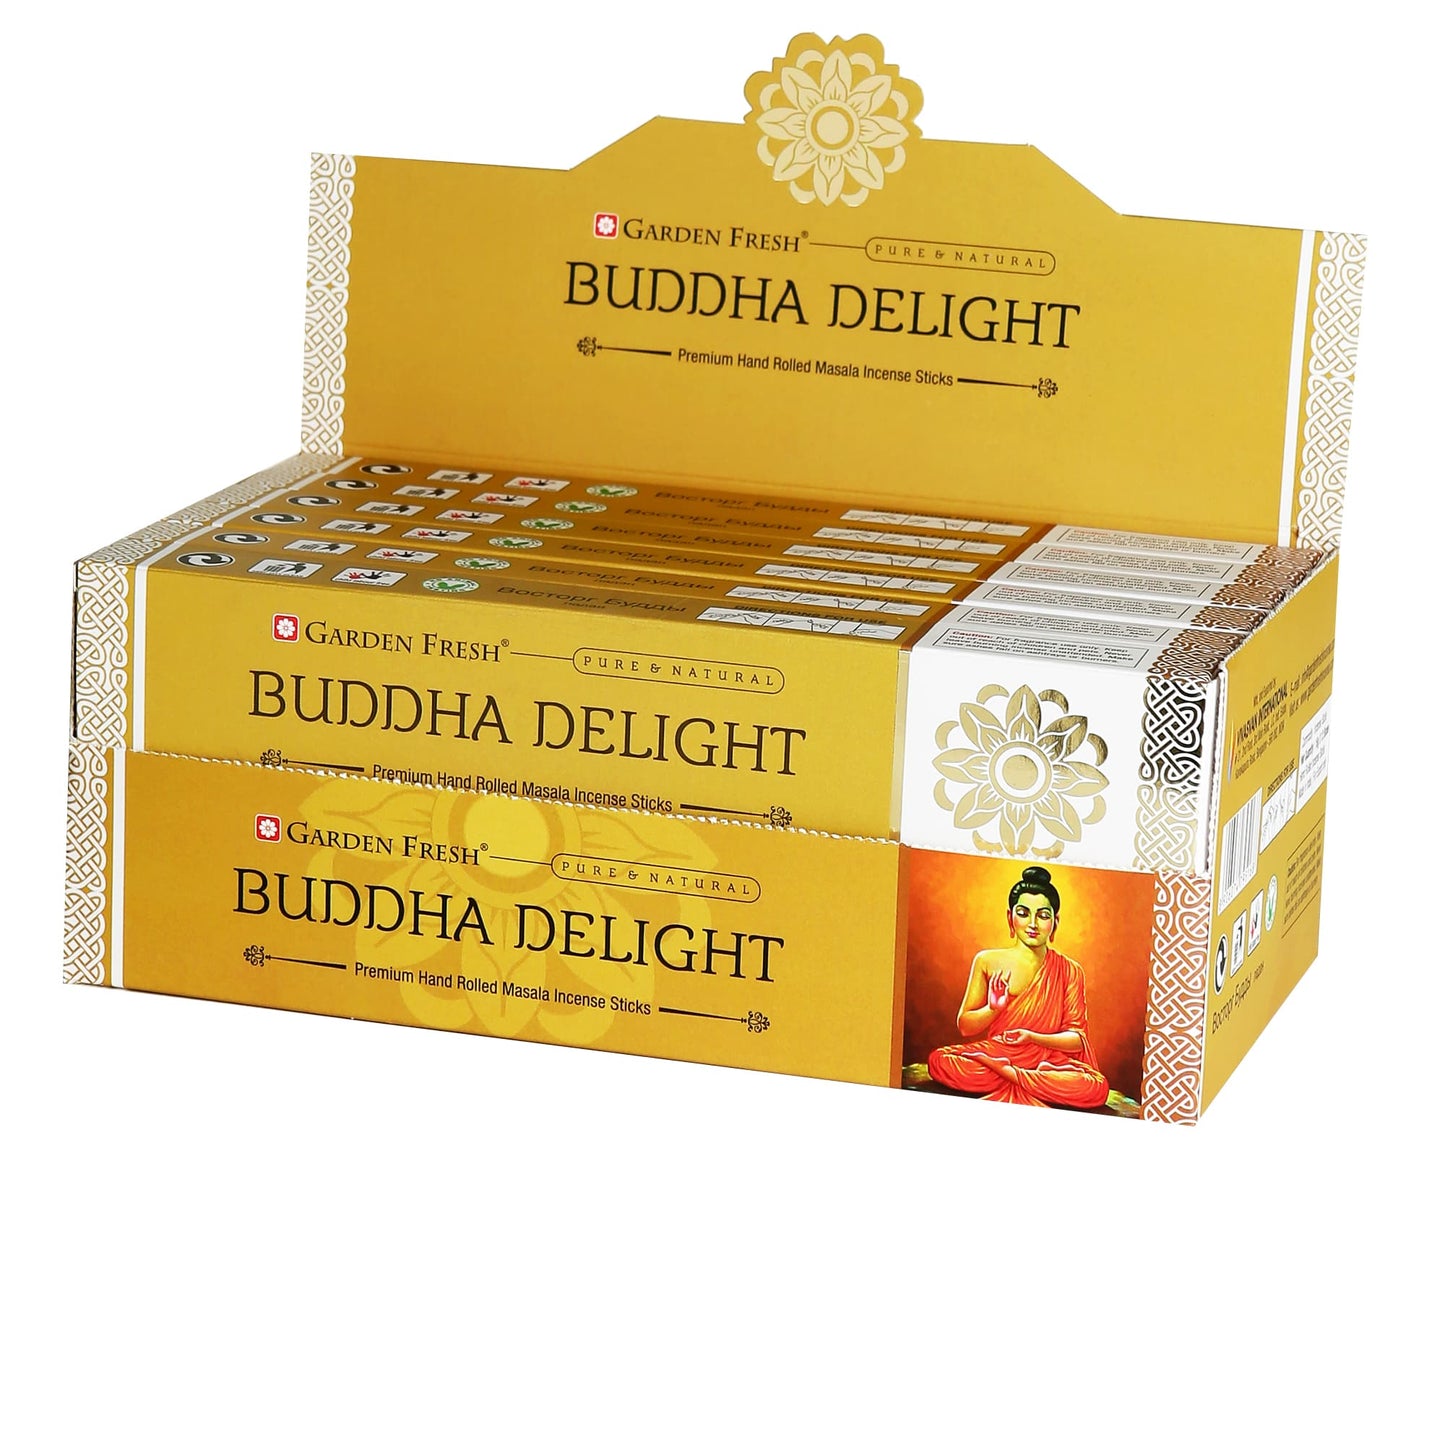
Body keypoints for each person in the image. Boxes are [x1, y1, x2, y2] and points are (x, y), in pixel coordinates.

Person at [926, 866, 1110, 1109]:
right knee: (940, 1061)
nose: (1032, 924)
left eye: (1043, 916)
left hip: (1048, 1061)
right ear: (1010, 917)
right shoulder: (987, 961)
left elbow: (1077, 1040)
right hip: (998, 1054)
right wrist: (993, 1009)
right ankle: (1025, 1078)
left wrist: (1033, 1037)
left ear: (1055, 922)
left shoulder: (1069, 970)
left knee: (1096, 1087)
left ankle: (1011, 1074)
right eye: (1023, 913)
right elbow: (965, 1026)